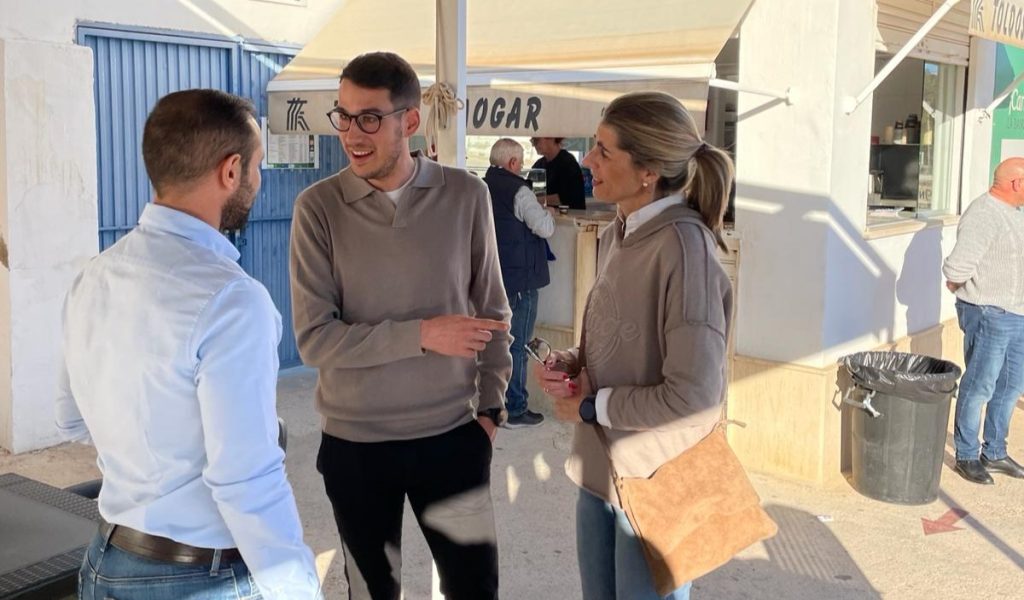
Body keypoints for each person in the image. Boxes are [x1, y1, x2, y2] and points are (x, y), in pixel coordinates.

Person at [55, 89, 321, 600]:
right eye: (257, 166)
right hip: (195, 578)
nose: (259, 180)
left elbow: (70, 420)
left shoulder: (93, 276)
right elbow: (246, 479)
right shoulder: (232, 300)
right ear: (231, 171)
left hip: (105, 562)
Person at [289, 51, 512, 600]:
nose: (351, 133)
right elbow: (315, 340)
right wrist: (423, 335)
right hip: (355, 446)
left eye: (369, 118)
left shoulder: (467, 195)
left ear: (410, 121)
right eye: (343, 116)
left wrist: (491, 410)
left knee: (475, 590)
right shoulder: (317, 208)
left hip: (452, 437)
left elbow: (493, 310)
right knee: (373, 593)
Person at [536, 91, 734, 600]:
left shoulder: (686, 250)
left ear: (648, 171)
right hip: (601, 472)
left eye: (604, 150)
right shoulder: (618, 231)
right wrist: (572, 363)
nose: (587, 161)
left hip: (658, 477)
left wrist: (591, 406)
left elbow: (694, 397)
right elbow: (615, 339)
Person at [942, 157, 1024, 485]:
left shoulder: (1015, 213)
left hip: (1017, 313)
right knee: (980, 385)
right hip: (989, 314)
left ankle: (995, 452)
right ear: (1017, 183)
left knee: (1011, 385)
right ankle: (966, 455)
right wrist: (961, 288)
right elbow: (957, 268)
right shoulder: (984, 214)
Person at [484, 138, 557, 428]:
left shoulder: (481, 186)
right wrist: (548, 213)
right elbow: (545, 228)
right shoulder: (519, 190)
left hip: (493, 276)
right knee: (518, 344)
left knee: (495, 343)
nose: (523, 166)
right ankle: (515, 408)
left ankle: (492, 403)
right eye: (521, 161)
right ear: (512, 162)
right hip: (520, 277)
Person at [531, 136, 586, 210]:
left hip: (570, 215)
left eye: (536, 140)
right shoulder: (538, 165)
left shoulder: (568, 163)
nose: (533, 144)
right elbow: (530, 190)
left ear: (551, 138)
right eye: (532, 141)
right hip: (545, 215)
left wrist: (534, 200)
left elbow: (566, 199)